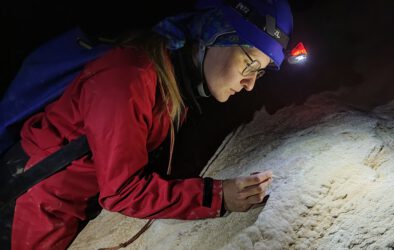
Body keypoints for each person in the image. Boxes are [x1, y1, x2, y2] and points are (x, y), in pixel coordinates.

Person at [0, 0, 294, 249]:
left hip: (63, 205)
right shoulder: (129, 78)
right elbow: (121, 190)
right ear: (214, 34)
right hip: (33, 206)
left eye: (262, 72)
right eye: (250, 63)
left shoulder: (171, 79)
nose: (250, 83)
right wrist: (217, 196)